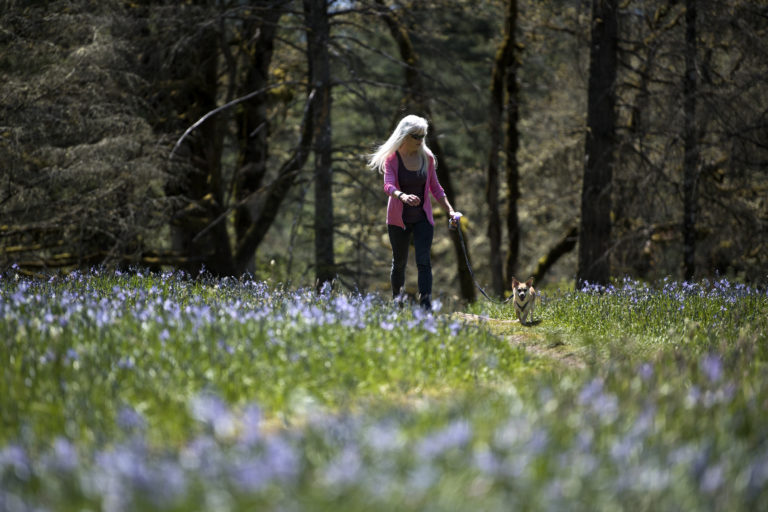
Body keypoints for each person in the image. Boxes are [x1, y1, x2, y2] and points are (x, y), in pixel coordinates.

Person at [367, 115, 461, 310]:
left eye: (422, 136)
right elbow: (388, 186)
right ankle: (397, 304)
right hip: (398, 220)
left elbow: (436, 188)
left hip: (422, 219)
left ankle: (426, 308)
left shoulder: (426, 158)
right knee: (399, 262)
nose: (420, 140)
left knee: (424, 262)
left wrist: (450, 211)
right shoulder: (392, 159)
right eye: (415, 136)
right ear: (404, 135)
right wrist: (402, 196)